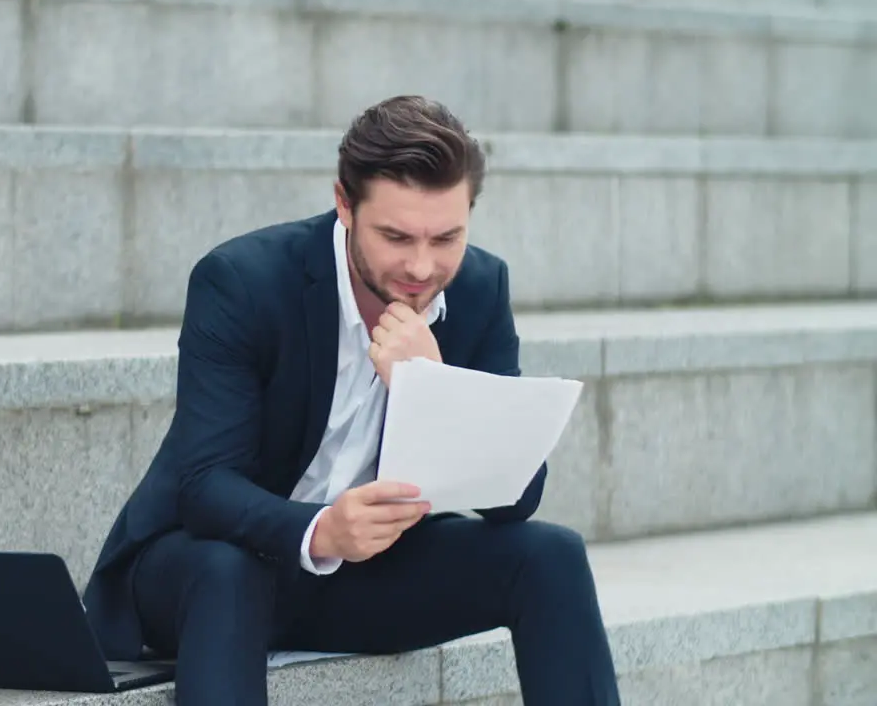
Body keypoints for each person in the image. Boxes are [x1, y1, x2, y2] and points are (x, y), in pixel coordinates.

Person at [82, 95, 621, 705]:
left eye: (447, 237)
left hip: (362, 577)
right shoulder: (243, 281)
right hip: (207, 572)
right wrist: (320, 530)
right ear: (344, 205)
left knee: (550, 556)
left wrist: (432, 387)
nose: (422, 266)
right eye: (396, 236)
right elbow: (205, 486)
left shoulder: (478, 286)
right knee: (226, 571)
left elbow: (516, 498)